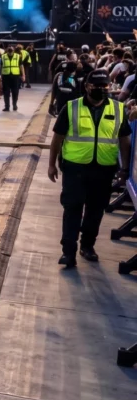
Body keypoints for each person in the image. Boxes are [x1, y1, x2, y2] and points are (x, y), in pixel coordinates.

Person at [48, 69, 130, 267]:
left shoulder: (118, 109)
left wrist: (124, 168)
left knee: (95, 211)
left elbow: (124, 140)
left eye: (104, 86)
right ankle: (68, 252)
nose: (101, 90)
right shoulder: (71, 107)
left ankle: (87, 246)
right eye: (96, 86)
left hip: (103, 170)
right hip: (75, 169)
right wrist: (51, 164)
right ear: (86, 86)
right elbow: (57, 138)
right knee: (72, 209)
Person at [0, 45, 24, 111]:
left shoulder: (18, 56)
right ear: (7, 50)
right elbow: (1, 67)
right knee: (6, 92)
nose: (10, 50)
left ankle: (14, 105)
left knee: (15, 92)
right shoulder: (3, 56)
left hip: (15, 76)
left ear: (14, 50)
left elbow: (21, 66)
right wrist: (0, 76)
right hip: (6, 76)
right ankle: (7, 106)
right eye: (9, 49)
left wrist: (23, 75)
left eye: (11, 49)